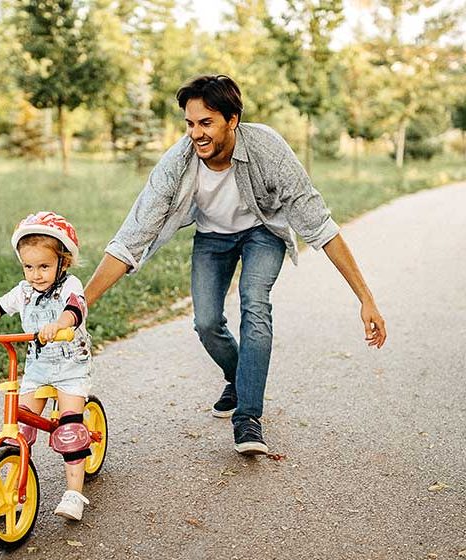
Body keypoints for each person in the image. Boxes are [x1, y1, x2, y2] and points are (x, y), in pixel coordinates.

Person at [84, 74, 387, 456]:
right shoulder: (177, 163)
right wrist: (82, 302)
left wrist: (366, 298)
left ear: (232, 120)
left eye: (206, 122)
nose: (196, 134)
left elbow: (319, 225)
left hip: (262, 231)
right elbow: (132, 235)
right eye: (190, 124)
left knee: (254, 301)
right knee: (207, 322)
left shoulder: (267, 148)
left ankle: (248, 417)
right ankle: (238, 377)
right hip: (211, 238)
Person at [0, 211, 93, 520]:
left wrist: (59, 324)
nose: (36, 274)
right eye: (29, 266)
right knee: (19, 429)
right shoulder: (23, 292)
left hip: (70, 368)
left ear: (62, 263)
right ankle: (12, 485)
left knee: (69, 429)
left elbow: (75, 308)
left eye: (44, 266)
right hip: (38, 370)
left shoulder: (71, 285)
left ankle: (74, 493)